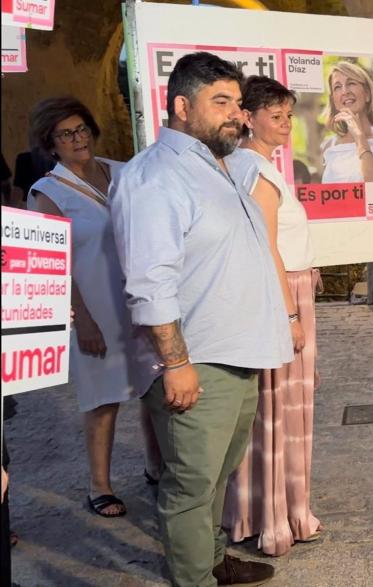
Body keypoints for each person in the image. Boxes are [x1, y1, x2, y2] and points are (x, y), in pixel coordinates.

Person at [110, 52, 293, 586]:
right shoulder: (155, 177)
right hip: (196, 361)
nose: (235, 114)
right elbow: (149, 281)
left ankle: (212, 558)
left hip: (235, 355)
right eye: (221, 102)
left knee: (214, 478)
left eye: (237, 103)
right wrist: (176, 363)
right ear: (182, 106)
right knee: (190, 485)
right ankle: (193, 578)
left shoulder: (220, 165)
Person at [25, 97, 161, 518]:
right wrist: (82, 319)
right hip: (93, 307)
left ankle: (156, 469)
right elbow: (54, 266)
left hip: (136, 300)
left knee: (150, 387)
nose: (77, 138)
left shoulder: (121, 171)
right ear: (51, 144)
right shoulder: (46, 192)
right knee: (102, 399)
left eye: (81, 128)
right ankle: (98, 485)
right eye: (66, 134)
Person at [223, 76, 323, 556]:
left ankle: (268, 510)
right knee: (280, 411)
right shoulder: (254, 169)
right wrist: (289, 315)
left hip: (285, 291)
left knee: (272, 410)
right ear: (248, 118)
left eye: (288, 116)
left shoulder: (253, 165)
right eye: (276, 116)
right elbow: (265, 246)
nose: (285, 125)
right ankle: (278, 516)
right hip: (280, 299)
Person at [321, 61, 373, 183]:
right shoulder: (329, 145)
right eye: (337, 87)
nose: (345, 91)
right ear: (334, 100)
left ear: (367, 94)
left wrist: (359, 137)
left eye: (351, 83)